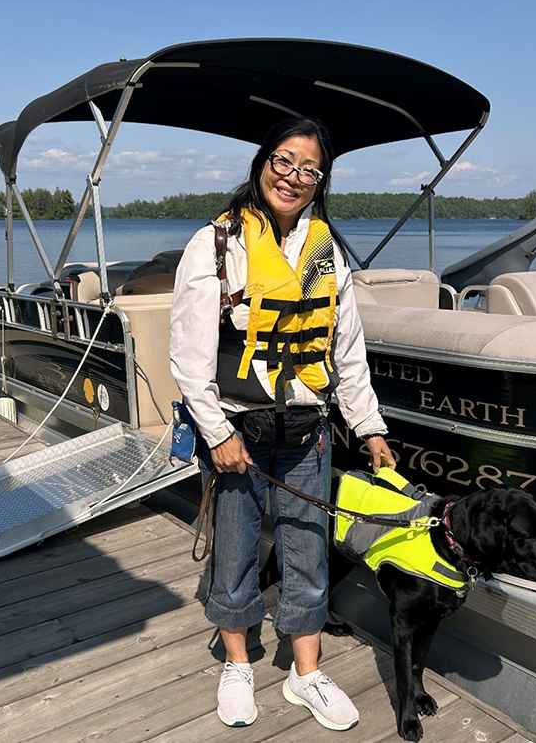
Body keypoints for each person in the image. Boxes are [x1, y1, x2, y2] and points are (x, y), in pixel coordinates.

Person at [169, 117, 394, 732]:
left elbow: (348, 351)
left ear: (320, 181)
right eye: (282, 161)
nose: (292, 177)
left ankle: (305, 674)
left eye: (308, 169)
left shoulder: (328, 252)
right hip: (237, 430)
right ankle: (238, 663)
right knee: (236, 550)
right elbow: (188, 357)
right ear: (261, 163)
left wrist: (369, 427)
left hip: (306, 432)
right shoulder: (215, 244)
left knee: (307, 550)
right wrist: (215, 432)